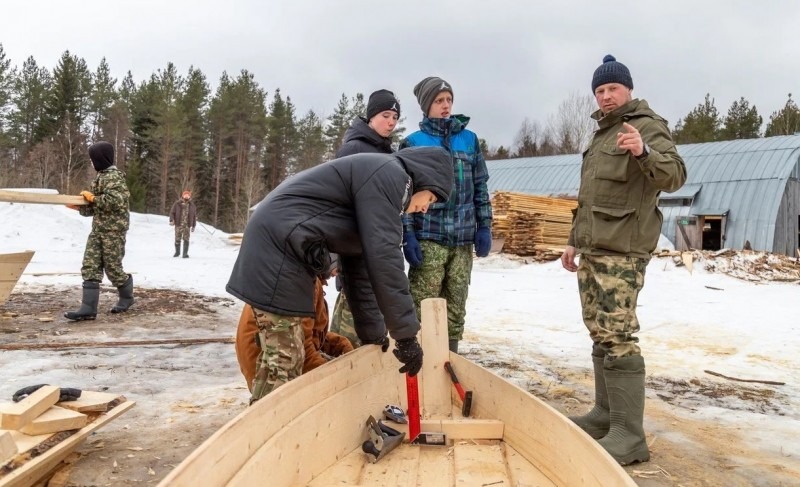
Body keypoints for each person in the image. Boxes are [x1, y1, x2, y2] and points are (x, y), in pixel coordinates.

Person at [226, 146, 453, 403]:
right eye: (431, 199)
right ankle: (265, 435)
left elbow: (362, 269)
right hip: (279, 250)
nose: (425, 208)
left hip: (284, 246)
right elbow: (386, 259)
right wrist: (406, 336)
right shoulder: (392, 176)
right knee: (284, 364)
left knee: (286, 361)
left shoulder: (377, 179)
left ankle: (270, 429)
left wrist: (373, 334)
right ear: (425, 179)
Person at [561, 55, 687, 465]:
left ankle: (630, 437)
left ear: (627, 89)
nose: (605, 96)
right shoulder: (601, 135)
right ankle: (605, 416)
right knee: (600, 333)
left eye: (612, 88)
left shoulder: (646, 126)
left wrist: (644, 151)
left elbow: (675, 176)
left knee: (618, 335)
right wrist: (573, 241)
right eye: (599, 90)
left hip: (623, 252)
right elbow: (590, 198)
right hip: (595, 250)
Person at [400, 76, 493, 355]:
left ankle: (449, 361)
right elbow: (404, 193)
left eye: (449, 100)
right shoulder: (412, 142)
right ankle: (420, 365)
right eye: (439, 101)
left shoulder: (469, 139)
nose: (445, 106)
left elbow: (480, 185)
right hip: (430, 237)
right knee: (422, 305)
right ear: (427, 105)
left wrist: (484, 225)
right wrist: (408, 233)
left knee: (455, 307)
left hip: (463, 239)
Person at [330, 89, 401, 347]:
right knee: (346, 337)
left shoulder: (388, 154)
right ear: (371, 117)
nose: (391, 121)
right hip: (354, 253)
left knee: (370, 334)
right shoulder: (353, 149)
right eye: (385, 115)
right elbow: (337, 205)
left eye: (395, 116)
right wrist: (334, 256)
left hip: (376, 254)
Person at [235, 257, 354, 392]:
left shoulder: (305, 275)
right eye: (335, 264)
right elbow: (301, 351)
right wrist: (338, 376)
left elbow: (307, 333)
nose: (337, 273)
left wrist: (338, 344)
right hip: (267, 371)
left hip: (271, 359)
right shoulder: (304, 283)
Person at [64, 141, 134, 321]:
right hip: (98, 230)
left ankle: (127, 297)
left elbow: (114, 202)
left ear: (101, 158)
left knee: (113, 268)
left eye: (93, 158)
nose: (92, 162)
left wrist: (94, 198)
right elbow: (96, 207)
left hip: (113, 231)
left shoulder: (115, 178)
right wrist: (79, 207)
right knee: (90, 265)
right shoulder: (100, 177)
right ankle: (88, 308)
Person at [169, 190, 197, 258]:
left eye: (188, 195)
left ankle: (185, 254)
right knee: (177, 239)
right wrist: (171, 220)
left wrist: (193, 226)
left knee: (186, 240)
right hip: (178, 224)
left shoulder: (192, 205)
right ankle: (177, 252)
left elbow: (194, 216)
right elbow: (172, 212)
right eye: (185, 195)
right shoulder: (177, 203)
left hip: (187, 225)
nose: (186, 196)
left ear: (190, 196)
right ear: (182, 195)